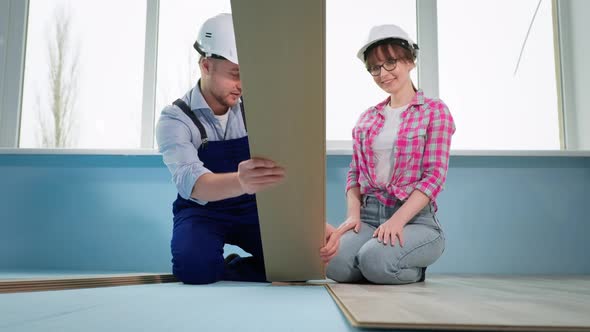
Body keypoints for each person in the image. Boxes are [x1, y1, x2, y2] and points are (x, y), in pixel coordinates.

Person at [156, 13, 288, 284]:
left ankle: (233, 267)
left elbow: (282, 170)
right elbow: (193, 184)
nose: (243, 84)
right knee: (194, 269)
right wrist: (241, 180)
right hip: (202, 211)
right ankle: (210, 265)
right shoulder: (175, 119)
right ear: (206, 65)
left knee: (296, 265)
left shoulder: (257, 108)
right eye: (236, 74)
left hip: (252, 209)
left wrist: (307, 226)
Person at [319, 24, 456, 284]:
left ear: (410, 61)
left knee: (374, 261)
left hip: (416, 220)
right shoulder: (368, 118)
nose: (383, 73)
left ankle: (403, 267)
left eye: (390, 62)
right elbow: (355, 172)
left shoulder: (435, 111)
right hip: (369, 216)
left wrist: (397, 220)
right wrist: (353, 215)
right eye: (375, 67)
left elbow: (434, 177)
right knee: (333, 264)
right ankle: (378, 262)